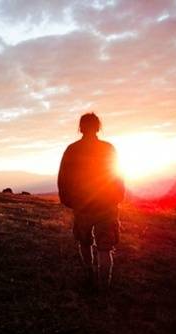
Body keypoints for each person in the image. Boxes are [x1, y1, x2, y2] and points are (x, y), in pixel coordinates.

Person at [58, 112, 125, 293]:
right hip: (107, 204)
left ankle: (89, 274)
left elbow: (63, 178)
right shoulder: (108, 148)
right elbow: (117, 174)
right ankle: (104, 286)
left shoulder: (72, 150)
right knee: (105, 248)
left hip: (83, 205)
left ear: (80, 128)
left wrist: (68, 200)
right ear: (98, 127)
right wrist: (118, 196)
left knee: (84, 242)